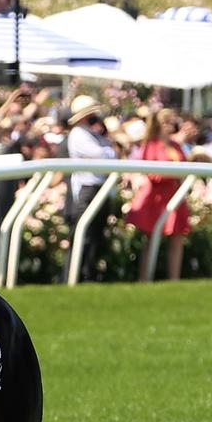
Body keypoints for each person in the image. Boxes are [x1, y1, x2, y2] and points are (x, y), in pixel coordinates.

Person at [125, 108, 189, 282]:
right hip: (156, 197)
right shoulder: (151, 145)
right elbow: (153, 173)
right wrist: (174, 173)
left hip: (174, 195)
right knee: (152, 238)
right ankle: (145, 278)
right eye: (168, 121)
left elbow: (186, 166)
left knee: (177, 238)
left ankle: (174, 279)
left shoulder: (176, 145)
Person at [64, 95, 119, 283]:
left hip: (97, 187)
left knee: (95, 236)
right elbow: (104, 155)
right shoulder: (78, 134)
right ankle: (74, 278)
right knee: (84, 235)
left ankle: (89, 275)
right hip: (87, 189)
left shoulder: (91, 134)